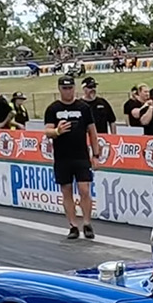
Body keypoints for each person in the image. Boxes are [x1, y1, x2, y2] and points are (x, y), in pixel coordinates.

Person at [44, 75, 100, 240]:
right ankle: (73, 225)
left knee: (84, 189)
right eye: (65, 88)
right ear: (59, 89)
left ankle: (87, 222)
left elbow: (92, 132)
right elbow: (47, 131)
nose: (68, 91)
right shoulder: (53, 109)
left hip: (81, 155)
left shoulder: (83, 107)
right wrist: (57, 131)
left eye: (70, 88)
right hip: (62, 157)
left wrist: (96, 154)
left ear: (74, 88)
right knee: (66, 191)